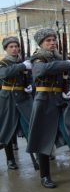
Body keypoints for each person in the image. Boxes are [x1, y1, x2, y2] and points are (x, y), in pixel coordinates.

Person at [26, 28, 70, 188]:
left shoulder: (60, 58)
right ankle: (45, 176)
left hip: (61, 101)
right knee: (44, 139)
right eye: (48, 41)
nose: (52, 43)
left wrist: (68, 91)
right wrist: (64, 64)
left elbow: (69, 80)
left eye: (53, 40)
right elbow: (41, 71)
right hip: (44, 102)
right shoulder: (38, 59)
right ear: (41, 44)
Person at [0, 37, 33, 170]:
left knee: (31, 124)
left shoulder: (22, 61)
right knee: (8, 129)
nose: (14, 49)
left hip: (23, 97)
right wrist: (22, 66)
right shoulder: (3, 63)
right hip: (7, 98)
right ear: (6, 49)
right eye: (11, 47)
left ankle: (40, 153)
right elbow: (4, 73)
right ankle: (10, 159)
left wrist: (29, 85)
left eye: (16, 46)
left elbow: (28, 76)